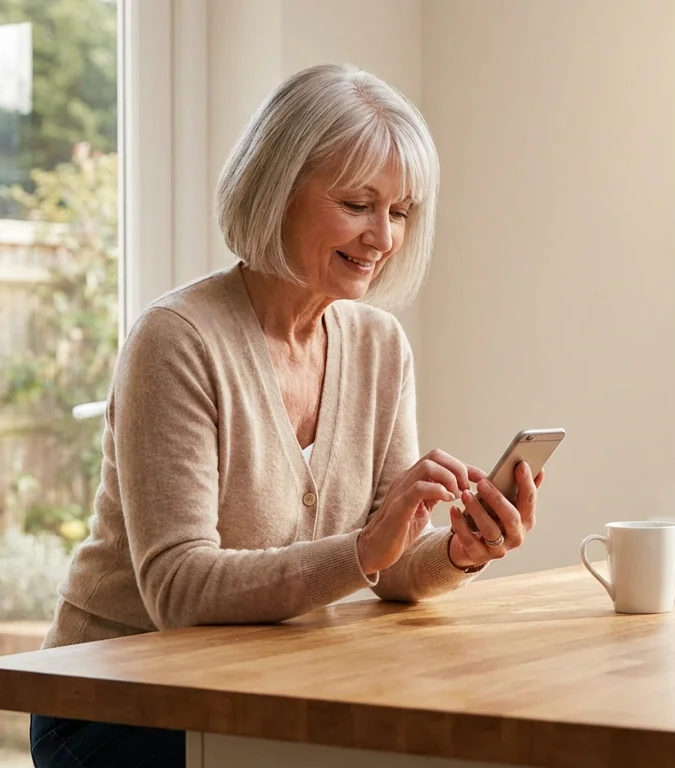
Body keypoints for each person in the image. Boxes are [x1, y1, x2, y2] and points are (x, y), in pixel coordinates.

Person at [28, 62, 544, 768]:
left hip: (265, 685)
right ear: (277, 188)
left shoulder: (378, 347)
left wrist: (458, 551)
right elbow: (178, 588)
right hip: (121, 698)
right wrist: (365, 550)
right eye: (359, 203)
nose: (383, 237)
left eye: (399, 212)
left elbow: (384, 571)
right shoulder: (178, 339)